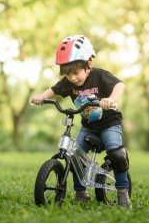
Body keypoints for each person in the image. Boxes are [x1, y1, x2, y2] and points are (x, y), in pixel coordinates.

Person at [30, 35, 131, 208]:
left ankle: (123, 192)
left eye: (76, 73)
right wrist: (41, 97)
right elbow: (54, 90)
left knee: (116, 153)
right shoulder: (68, 82)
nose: (72, 78)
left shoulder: (99, 75)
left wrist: (111, 99)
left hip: (109, 123)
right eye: (67, 74)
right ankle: (81, 192)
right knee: (75, 155)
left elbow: (119, 85)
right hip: (89, 127)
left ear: (88, 65)